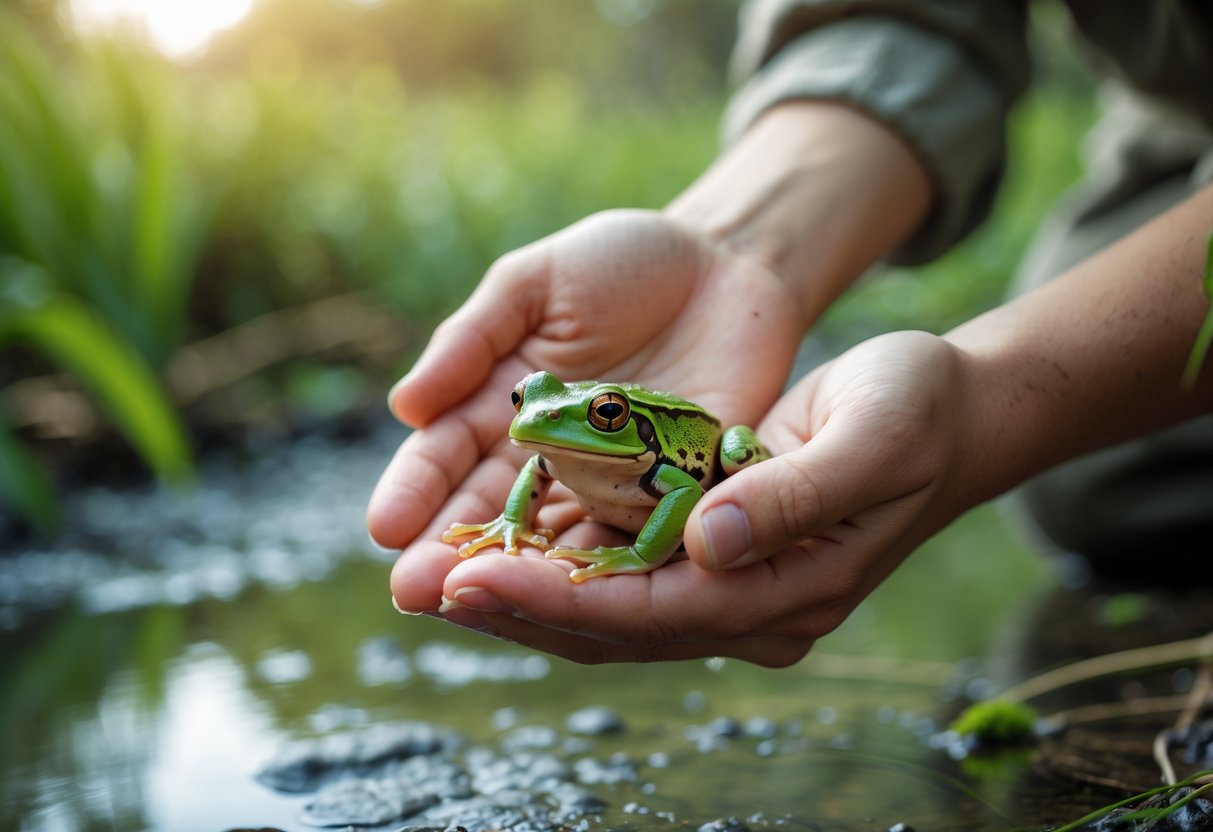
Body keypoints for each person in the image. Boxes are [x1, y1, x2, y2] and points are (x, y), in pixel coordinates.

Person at [367, 1, 1213, 666]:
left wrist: (991, 394)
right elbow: (901, 17)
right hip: (1171, 135)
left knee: (1099, 475)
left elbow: (674, 502)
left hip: (702, 453)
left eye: (602, 416)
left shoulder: (662, 464)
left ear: (624, 421)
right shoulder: (550, 450)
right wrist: (739, 241)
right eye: (527, 402)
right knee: (1098, 484)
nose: (537, 424)